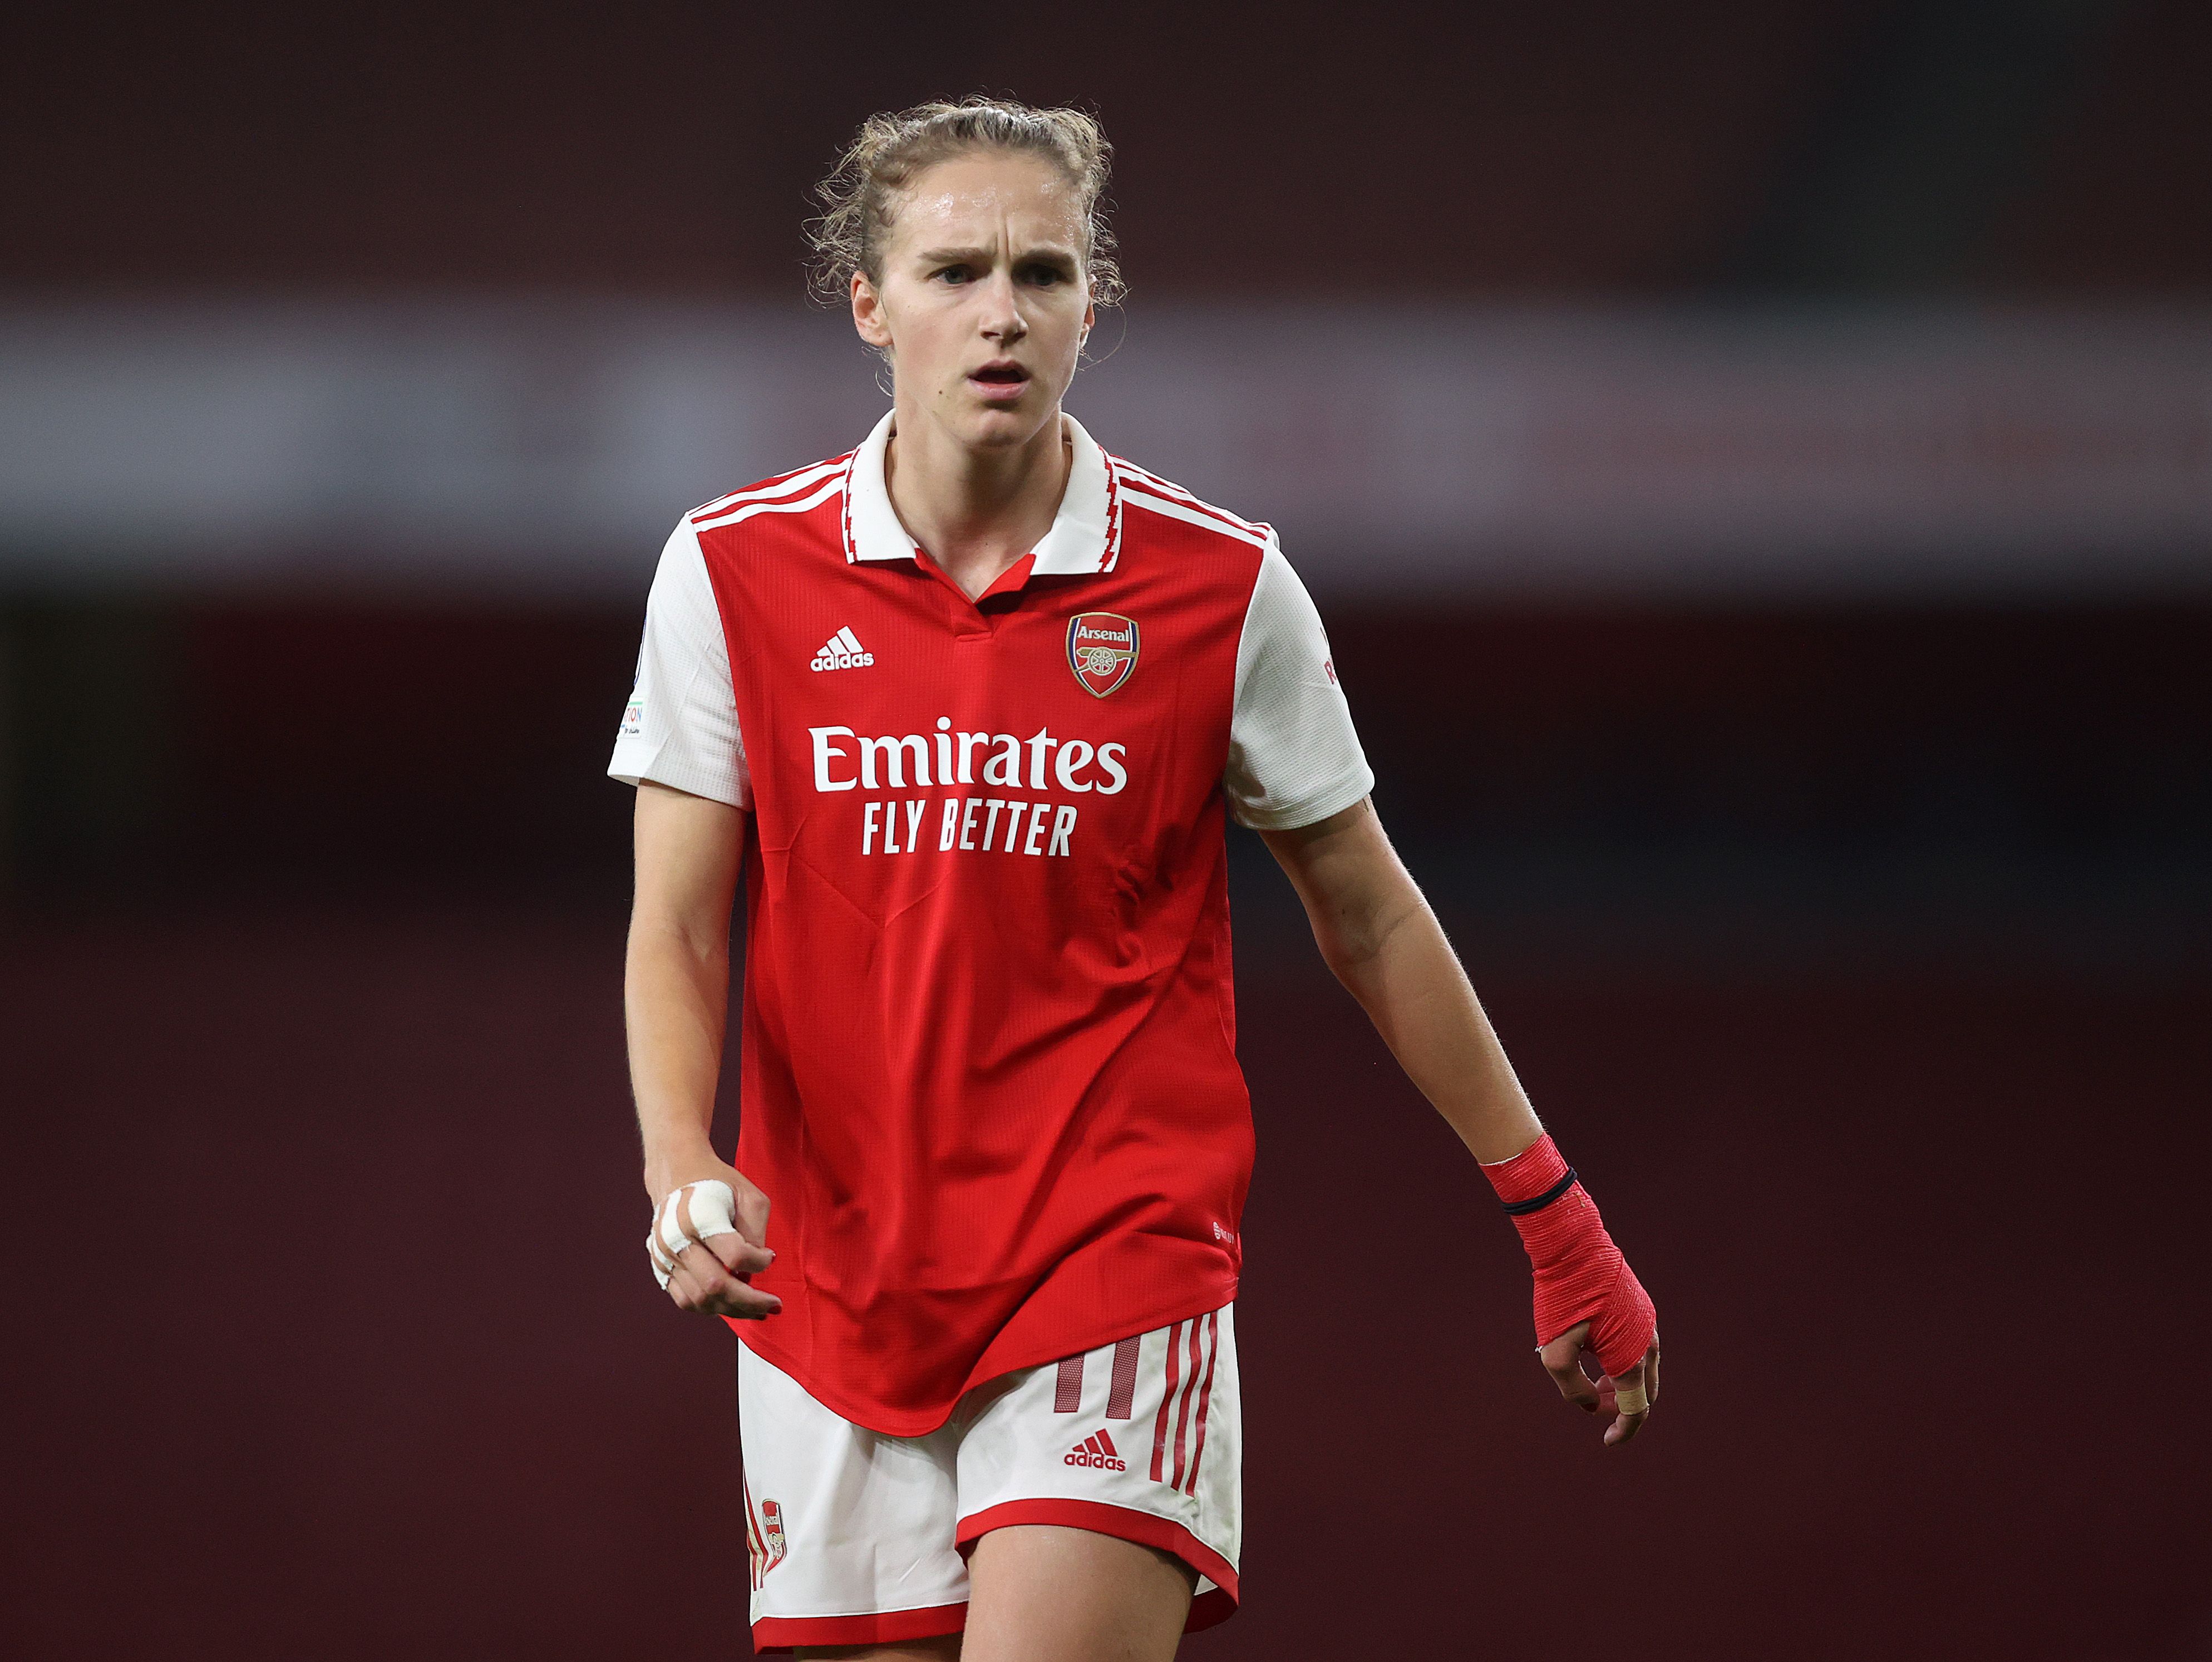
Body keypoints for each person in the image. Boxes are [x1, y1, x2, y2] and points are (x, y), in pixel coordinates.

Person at [610, 97, 1661, 1662]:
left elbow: (1366, 909)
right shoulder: (731, 570)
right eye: (956, 269)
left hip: (1110, 1259)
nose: (1001, 312)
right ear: (869, 302)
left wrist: (1554, 1213)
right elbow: (681, 925)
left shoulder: (1218, 586)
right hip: (828, 1289)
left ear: (1090, 306)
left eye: (1042, 272)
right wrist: (677, 1161)